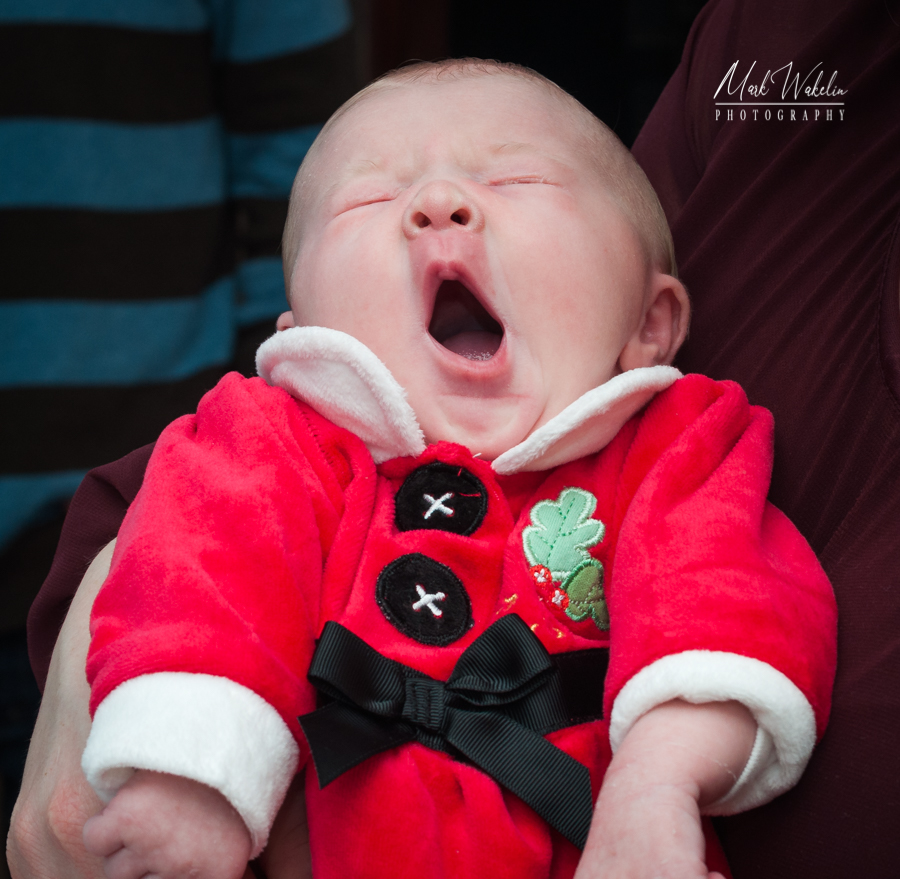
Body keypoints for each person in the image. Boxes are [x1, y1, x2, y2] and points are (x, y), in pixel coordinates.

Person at [73, 61, 835, 879]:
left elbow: (728, 606)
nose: (440, 204)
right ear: (301, 331)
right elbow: (201, 580)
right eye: (370, 197)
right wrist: (191, 780)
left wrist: (656, 784)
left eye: (517, 177)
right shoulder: (275, 444)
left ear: (650, 322)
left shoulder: (675, 451)